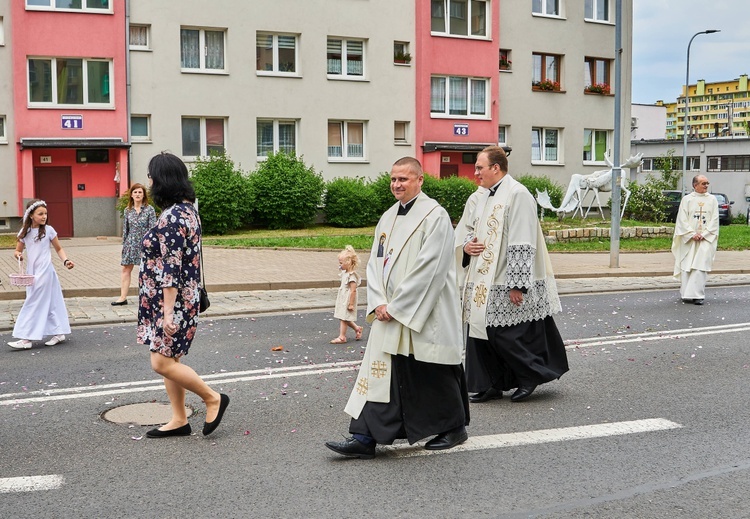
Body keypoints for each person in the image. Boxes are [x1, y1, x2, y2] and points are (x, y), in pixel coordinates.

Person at [325, 157, 469, 459]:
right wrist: (378, 302)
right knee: (383, 372)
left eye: (403, 179)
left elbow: (431, 268)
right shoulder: (387, 217)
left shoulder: (435, 216)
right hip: (389, 310)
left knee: (432, 370)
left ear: (419, 180)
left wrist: (399, 306)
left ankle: (455, 427)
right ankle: (364, 436)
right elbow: (376, 264)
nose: (396, 185)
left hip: (423, 310)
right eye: (393, 179)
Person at [455, 146, 568, 403]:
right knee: (479, 332)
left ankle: (529, 377)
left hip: (505, 275)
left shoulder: (518, 194)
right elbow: (466, 229)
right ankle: (491, 383)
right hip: (481, 276)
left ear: (496, 168)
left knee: (507, 334)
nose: (475, 173)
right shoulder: (480, 196)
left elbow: (522, 240)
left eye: (479, 168)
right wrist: (465, 246)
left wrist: (518, 284)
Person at [138, 152, 228, 438]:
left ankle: (213, 398)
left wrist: (166, 312)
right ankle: (179, 419)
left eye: (151, 175)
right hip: (175, 298)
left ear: (162, 180)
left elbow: (171, 267)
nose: (149, 180)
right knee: (171, 360)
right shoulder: (187, 210)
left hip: (171, 301)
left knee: (160, 362)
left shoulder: (174, 217)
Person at [8, 199, 75, 349]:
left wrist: (66, 261)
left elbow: (59, 249)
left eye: (45, 213)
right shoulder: (24, 232)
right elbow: (18, 250)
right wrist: (18, 255)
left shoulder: (49, 230)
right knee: (49, 303)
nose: (44, 216)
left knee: (33, 302)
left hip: (45, 272)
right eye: (40, 214)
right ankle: (59, 332)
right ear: (31, 215)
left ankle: (26, 339)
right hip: (32, 272)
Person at [671, 175, 719, 305]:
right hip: (690, 239)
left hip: (705, 239)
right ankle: (686, 294)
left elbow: (715, 219)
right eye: (703, 183)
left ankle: (698, 295)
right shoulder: (687, 199)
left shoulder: (712, 199)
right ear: (695, 185)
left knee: (700, 266)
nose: (706, 186)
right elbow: (682, 219)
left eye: (707, 183)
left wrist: (704, 234)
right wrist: (692, 234)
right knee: (687, 265)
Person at [112, 183, 157, 306]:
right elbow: (126, 229)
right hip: (130, 244)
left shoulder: (149, 210)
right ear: (131, 195)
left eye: (140, 192)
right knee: (126, 269)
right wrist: (125, 244)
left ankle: (149, 297)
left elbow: (153, 229)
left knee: (147, 271)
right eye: (135, 192)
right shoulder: (127, 210)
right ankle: (122, 297)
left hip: (145, 244)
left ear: (144, 195)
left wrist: (151, 245)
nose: (137, 194)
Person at [330, 245, 363, 344]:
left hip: (348, 299)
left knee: (344, 318)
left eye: (341, 263)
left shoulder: (352, 276)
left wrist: (351, 303)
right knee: (343, 316)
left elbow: (353, 290)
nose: (339, 265)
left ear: (348, 263)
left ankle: (342, 336)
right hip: (343, 297)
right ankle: (357, 328)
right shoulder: (345, 272)